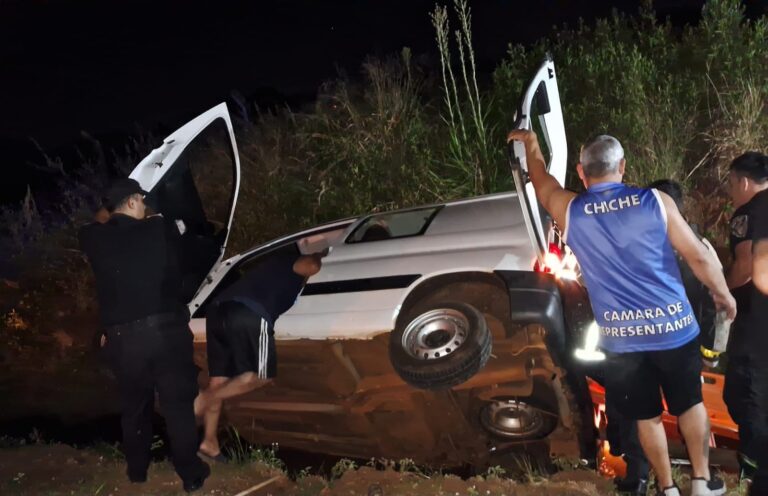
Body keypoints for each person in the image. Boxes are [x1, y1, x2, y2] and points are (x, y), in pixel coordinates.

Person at [507, 131, 736, 496]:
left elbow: (542, 181)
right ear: (623, 166)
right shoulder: (656, 202)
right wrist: (723, 294)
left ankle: (666, 487)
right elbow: (697, 255)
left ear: (582, 172)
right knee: (690, 405)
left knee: (646, 416)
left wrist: (532, 144)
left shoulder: (572, 210)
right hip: (674, 330)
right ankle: (701, 481)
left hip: (622, 341)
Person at [79, 178, 210, 492]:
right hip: (166, 332)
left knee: (134, 408)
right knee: (177, 406)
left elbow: (99, 221)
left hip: (123, 341)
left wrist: (114, 209)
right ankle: (190, 475)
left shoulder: (92, 238)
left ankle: (137, 472)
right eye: (142, 200)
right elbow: (182, 267)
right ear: (135, 200)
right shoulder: (160, 230)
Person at [194, 245, 325, 461]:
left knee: (218, 380)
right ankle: (203, 400)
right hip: (249, 313)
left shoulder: (267, 271)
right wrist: (318, 255)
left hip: (217, 312)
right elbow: (310, 266)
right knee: (261, 375)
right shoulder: (291, 260)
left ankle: (209, 443)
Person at [721, 152, 768, 486]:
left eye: (732, 183)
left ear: (744, 181)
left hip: (755, 319)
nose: (731, 190)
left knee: (743, 392)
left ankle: (755, 466)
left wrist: (719, 290)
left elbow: (745, 265)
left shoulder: (749, 214)